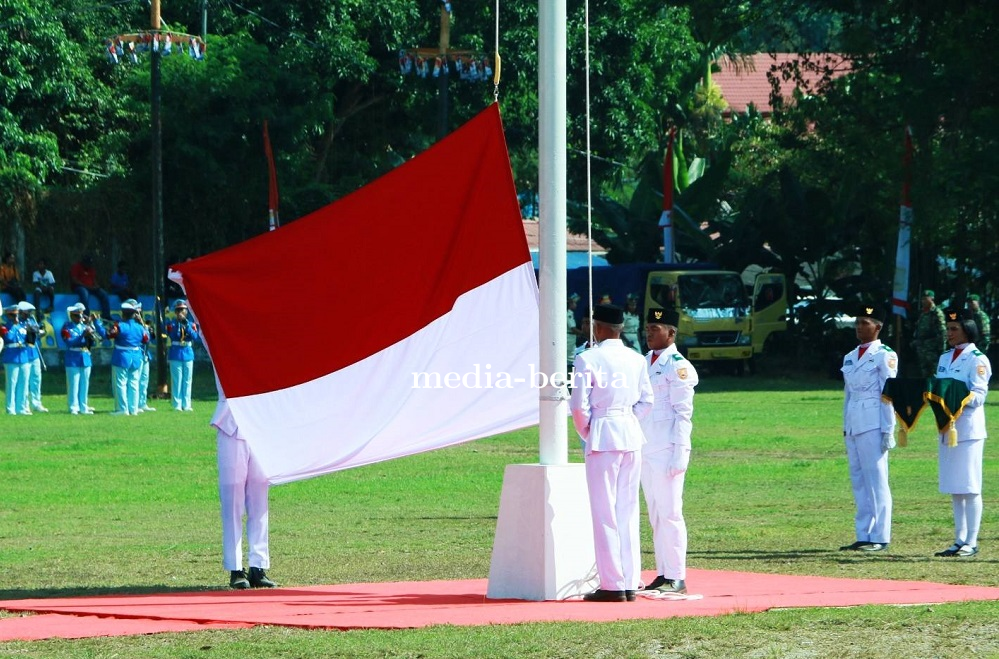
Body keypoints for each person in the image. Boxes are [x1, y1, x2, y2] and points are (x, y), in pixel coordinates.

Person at [570, 303, 653, 602]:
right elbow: (647, 401)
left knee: (605, 512)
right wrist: (627, 420)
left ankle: (613, 584)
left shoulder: (586, 358)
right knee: (628, 510)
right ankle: (630, 580)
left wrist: (591, 432)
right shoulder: (635, 358)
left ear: (598, 327)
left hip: (603, 434)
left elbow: (578, 407)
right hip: (631, 434)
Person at [640, 307, 698, 595]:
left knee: (671, 513)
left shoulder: (678, 366)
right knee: (655, 514)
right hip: (645, 447)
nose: (649, 333)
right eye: (648, 328)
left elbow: (683, 414)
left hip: (667, 449)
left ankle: (677, 575)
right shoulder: (644, 362)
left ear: (671, 333)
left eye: (656, 328)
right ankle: (663, 572)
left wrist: (680, 453)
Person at [932, 307, 991, 558]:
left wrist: (958, 397)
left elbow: (979, 394)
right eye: (948, 329)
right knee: (955, 486)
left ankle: (972, 540)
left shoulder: (977, 358)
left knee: (970, 485)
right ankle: (959, 538)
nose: (950, 333)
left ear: (968, 330)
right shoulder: (945, 358)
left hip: (967, 428)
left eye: (954, 329)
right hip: (947, 427)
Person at [839, 303, 898, 553]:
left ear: (878, 327)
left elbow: (889, 393)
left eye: (865, 323)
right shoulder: (850, 356)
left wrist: (888, 429)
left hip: (874, 420)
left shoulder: (885, 354)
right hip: (854, 421)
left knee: (876, 479)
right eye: (858, 322)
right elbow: (848, 394)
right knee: (859, 480)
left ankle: (880, 535)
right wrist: (845, 425)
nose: (860, 327)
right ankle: (864, 533)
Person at [213, 397, 277, 589]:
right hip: (231, 424)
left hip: (261, 424)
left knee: (260, 500)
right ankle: (236, 568)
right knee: (233, 500)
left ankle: (258, 566)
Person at [62, 303, 106, 414]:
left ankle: (83, 406)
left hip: (85, 356)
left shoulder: (85, 326)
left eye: (81, 315)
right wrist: (82, 335)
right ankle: (73, 407)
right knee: (73, 383)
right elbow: (70, 342)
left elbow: (96, 340)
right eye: (77, 316)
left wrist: (92, 332)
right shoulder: (67, 327)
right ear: (71, 316)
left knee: (84, 383)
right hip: (73, 356)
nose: (80, 318)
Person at [107, 299, 148, 415]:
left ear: (123, 313)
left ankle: (122, 409)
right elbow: (146, 339)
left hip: (122, 356)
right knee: (134, 383)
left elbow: (108, 335)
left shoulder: (120, 326)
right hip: (136, 356)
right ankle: (133, 409)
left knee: (121, 383)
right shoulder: (140, 327)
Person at [166, 299, 200, 411]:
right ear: (175, 312)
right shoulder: (172, 324)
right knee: (177, 380)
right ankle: (177, 404)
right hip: (176, 352)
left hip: (187, 352)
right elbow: (172, 335)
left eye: (183, 310)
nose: (181, 312)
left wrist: (186, 324)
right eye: (179, 310)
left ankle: (187, 404)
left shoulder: (191, 324)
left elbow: (195, 337)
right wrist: (179, 324)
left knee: (187, 380)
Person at [18, 301, 49, 413]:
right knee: (25, 380)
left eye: (30, 312)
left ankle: (36, 403)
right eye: (27, 313)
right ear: (21, 312)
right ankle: (25, 404)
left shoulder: (31, 321)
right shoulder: (18, 323)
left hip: (34, 353)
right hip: (24, 354)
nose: (29, 315)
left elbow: (37, 335)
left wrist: (40, 332)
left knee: (36, 379)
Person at [2, 303, 32, 414]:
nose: (15, 318)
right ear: (8, 316)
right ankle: (10, 408)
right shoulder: (5, 327)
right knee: (11, 384)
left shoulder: (23, 326)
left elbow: (29, 341)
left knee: (23, 384)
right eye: (12, 315)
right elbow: (9, 338)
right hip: (11, 357)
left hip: (23, 356)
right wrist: (14, 326)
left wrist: (31, 332)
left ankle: (21, 407)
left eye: (16, 315)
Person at [913, 289, 946, 378]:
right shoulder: (922, 313)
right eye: (922, 299)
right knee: (924, 374)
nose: (923, 301)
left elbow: (942, 332)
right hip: (922, 348)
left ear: (932, 299)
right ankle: (926, 391)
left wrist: (942, 349)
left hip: (933, 349)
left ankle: (935, 391)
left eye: (926, 299)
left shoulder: (936, 312)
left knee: (934, 374)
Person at [69, 254, 111, 320]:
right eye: (87, 263)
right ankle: (86, 314)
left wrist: (96, 286)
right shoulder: (76, 267)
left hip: (91, 287)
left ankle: (106, 315)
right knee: (84, 293)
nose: (89, 265)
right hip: (80, 287)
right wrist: (87, 286)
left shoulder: (91, 269)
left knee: (104, 294)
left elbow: (93, 280)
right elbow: (74, 280)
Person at [133, 300, 156, 412]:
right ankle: (135, 403)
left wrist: (147, 328)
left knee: (144, 380)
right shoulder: (133, 325)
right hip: (137, 353)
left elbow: (148, 339)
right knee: (135, 379)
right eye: (136, 311)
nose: (138, 313)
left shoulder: (142, 324)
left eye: (139, 311)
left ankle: (142, 402)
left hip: (145, 354)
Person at [567, 293, 582, 368]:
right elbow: (572, 328)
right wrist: (583, 334)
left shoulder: (570, 313)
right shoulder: (568, 313)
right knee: (570, 356)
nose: (575, 305)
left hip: (571, 337)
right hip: (569, 337)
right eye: (574, 303)